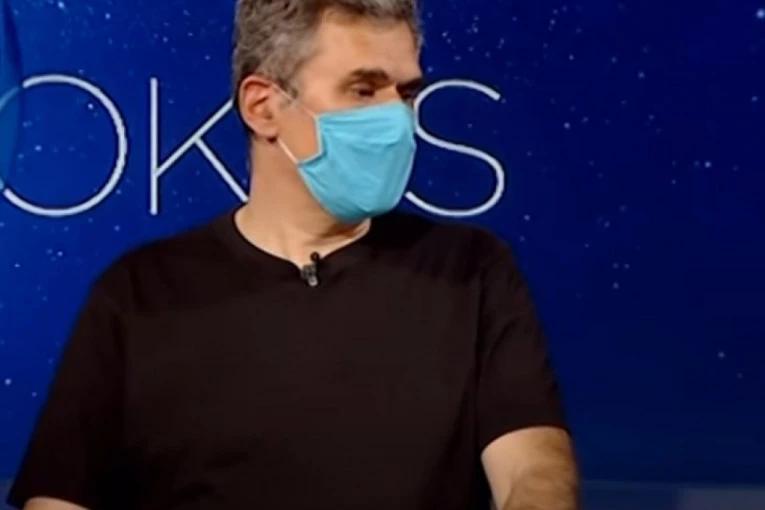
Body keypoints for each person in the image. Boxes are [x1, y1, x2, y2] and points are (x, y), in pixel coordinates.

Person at [7, 1, 579, 509]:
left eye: (406, 94)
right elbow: (60, 499)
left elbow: (533, 469)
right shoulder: (139, 294)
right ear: (263, 106)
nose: (398, 121)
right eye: (363, 90)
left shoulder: (472, 273)